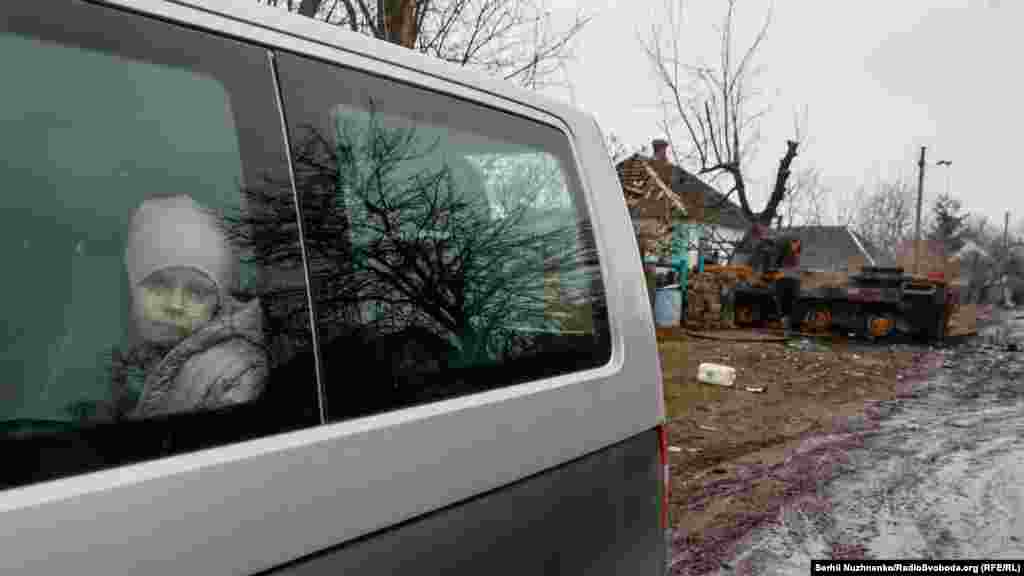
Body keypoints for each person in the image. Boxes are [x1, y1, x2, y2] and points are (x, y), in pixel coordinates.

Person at [111, 194, 269, 419]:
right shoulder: (130, 365)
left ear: (218, 304)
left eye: (197, 292)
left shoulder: (234, 379)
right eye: (159, 285)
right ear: (132, 291)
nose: (175, 305)